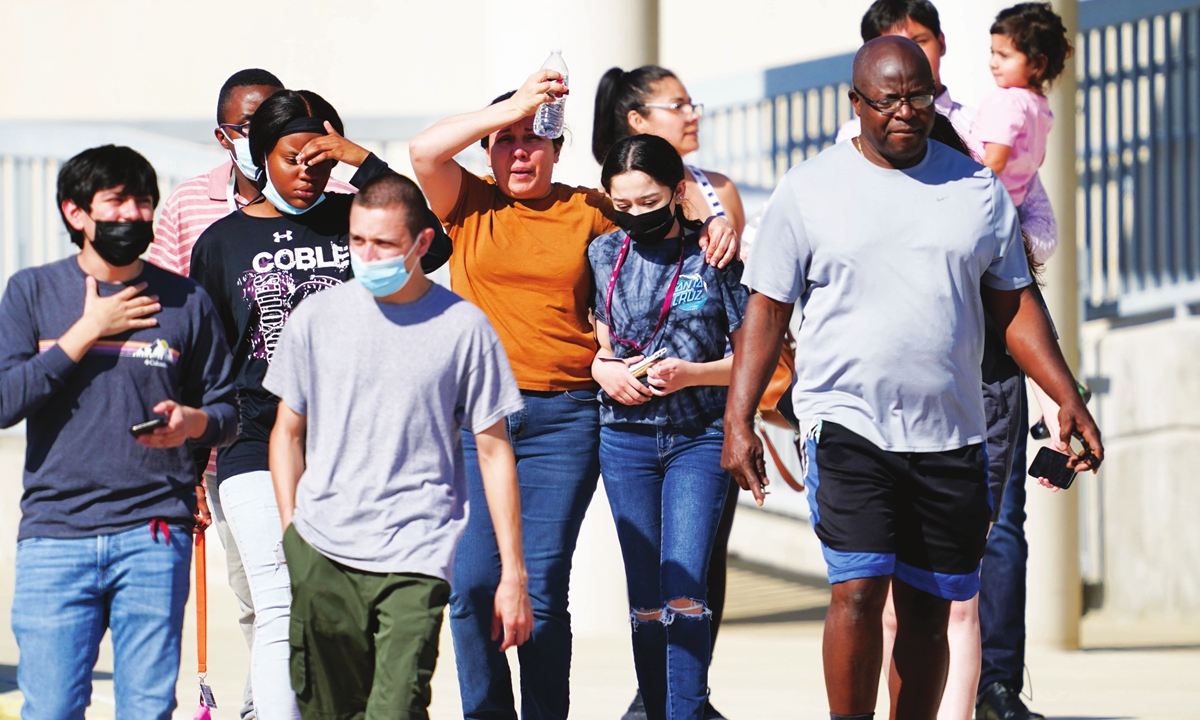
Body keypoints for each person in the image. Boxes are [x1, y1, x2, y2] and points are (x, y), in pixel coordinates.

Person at [721, 37, 1103, 720]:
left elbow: (1013, 304)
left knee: (930, 609)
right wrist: (738, 417)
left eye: (919, 96)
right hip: (846, 423)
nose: (906, 111)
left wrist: (1065, 394)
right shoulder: (809, 189)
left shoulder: (976, 188)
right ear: (857, 103)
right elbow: (767, 308)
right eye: (889, 99)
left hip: (951, 431)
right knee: (859, 589)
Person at [409, 68, 737, 720]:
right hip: (478, 420)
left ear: (559, 149)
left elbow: (666, 207)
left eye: (535, 139)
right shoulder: (467, 201)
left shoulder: (587, 208)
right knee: (472, 585)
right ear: (487, 149)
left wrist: (718, 224)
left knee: (542, 586)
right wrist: (519, 104)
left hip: (566, 417)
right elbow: (423, 152)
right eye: (506, 140)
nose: (520, 151)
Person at [838, 4, 1062, 718]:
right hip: (878, 392)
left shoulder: (981, 127)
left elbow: (1035, 244)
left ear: (939, 51)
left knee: (982, 547)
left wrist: (1065, 391)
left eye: (919, 48)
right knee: (875, 580)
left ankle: (995, 686)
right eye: (887, 54)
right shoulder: (842, 155)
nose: (904, 93)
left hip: (985, 365)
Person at [189, 88, 434, 720]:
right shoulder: (220, 243)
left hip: (359, 444)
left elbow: (434, 247)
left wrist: (366, 163)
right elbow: (202, 359)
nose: (307, 172)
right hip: (255, 440)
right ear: (260, 155)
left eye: (321, 159)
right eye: (292, 157)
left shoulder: (357, 220)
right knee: (279, 603)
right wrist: (189, 470)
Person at [265, 172, 533, 718]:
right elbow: (287, 431)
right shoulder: (316, 317)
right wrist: (293, 535)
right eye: (357, 240)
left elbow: (494, 449)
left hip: (417, 550)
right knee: (330, 710)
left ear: (422, 243)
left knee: (396, 707)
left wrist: (514, 572)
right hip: (322, 550)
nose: (367, 255)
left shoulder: (464, 328)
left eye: (384, 243)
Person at [0, 145, 237, 719]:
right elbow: (6, 402)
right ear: (75, 213)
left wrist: (192, 423)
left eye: (143, 202)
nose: (132, 214)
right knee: (52, 708)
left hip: (153, 533)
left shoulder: (187, 300)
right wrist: (87, 331)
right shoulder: (32, 292)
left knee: (148, 709)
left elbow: (227, 412)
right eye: (116, 201)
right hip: (56, 535)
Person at [592, 64, 748, 720]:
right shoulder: (602, 254)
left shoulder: (714, 257)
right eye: (621, 206)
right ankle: (654, 708)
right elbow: (597, 340)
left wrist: (691, 374)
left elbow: (755, 362)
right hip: (624, 438)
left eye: (648, 205)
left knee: (685, 586)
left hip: (697, 434)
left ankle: (689, 708)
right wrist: (605, 369)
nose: (633, 219)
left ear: (677, 191)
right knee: (645, 598)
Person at [968, 3, 1072, 208]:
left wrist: (959, 185)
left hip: (984, 202)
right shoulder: (1040, 107)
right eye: (993, 52)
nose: (993, 62)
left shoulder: (1006, 101)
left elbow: (994, 162)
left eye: (1004, 55)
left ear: (1037, 64)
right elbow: (1038, 160)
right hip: (1013, 206)